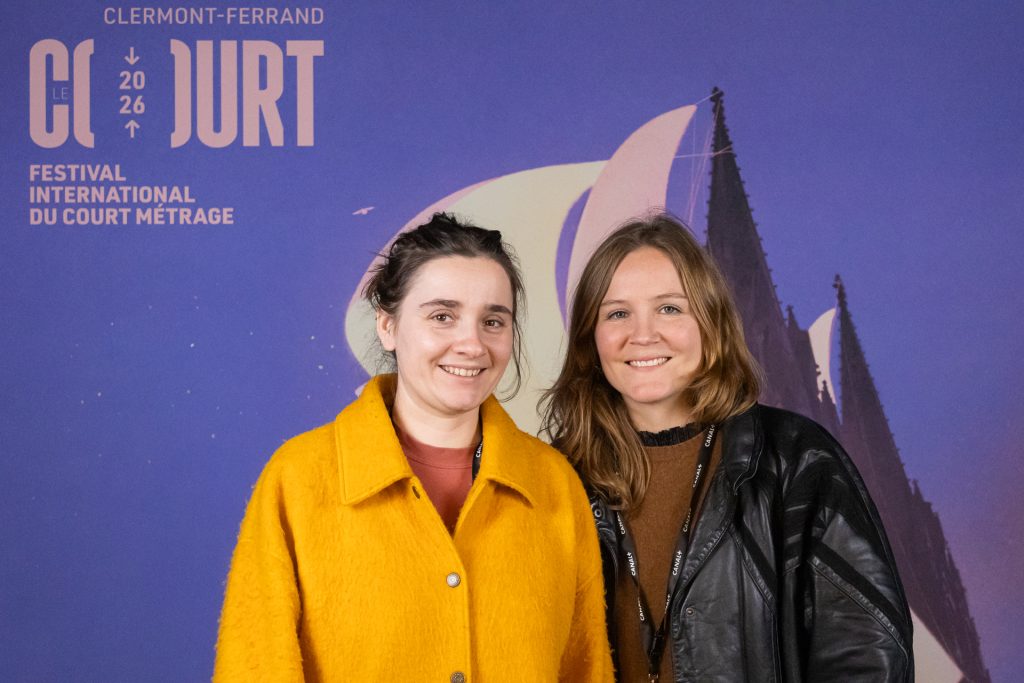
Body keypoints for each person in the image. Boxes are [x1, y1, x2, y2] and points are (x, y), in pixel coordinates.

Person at [214, 213, 614, 682]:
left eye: (492, 321)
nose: (472, 344)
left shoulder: (554, 483)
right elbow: (254, 666)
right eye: (443, 317)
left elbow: (587, 668)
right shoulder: (298, 479)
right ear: (387, 325)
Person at [541, 213, 913, 682]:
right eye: (617, 313)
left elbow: (868, 656)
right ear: (590, 338)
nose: (643, 334)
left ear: (710, 324)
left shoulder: (797, 461)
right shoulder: (556, 478)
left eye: (669, 308)